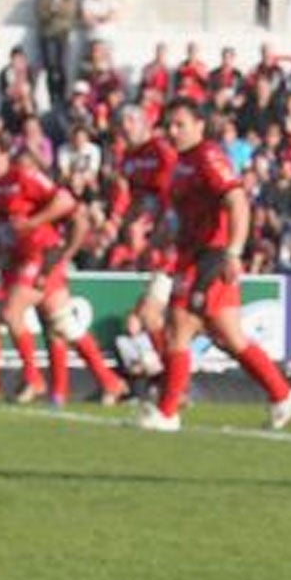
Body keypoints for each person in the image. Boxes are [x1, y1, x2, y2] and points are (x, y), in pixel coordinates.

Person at [137, 101, 291, 433]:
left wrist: (233, 251)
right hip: (193, 253)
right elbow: (185, 215)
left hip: (211, 255)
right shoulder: (181, 163)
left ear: (199, 125)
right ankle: (283, 395)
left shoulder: (208, 156)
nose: (173, 131)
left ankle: (168, 412)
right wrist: (160, 239)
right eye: (169, 125)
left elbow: (237, 199)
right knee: (228, 336)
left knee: (179, 325)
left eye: (180, 124)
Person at [0, 135, 128, 406]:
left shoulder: (24, 177)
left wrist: (33, 223)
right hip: (14, 261)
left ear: (7, 155)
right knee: (44, 323)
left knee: (11, 312)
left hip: (41, 255)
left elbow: (65, 203)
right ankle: (106, 382)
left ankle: (35, 379)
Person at [109, 102, 179, 391]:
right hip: (157, 243)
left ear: (144, 123)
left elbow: (175, 194)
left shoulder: (161, 151)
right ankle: (169, 382)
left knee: (149, 316)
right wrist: (122, 221)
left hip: (173, 241)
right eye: (122, 121)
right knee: (141, 320)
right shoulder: (127, 159)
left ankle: (172, 382)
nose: (126, 126)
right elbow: (134, 201)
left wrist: (158, 231)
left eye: (131, 120)